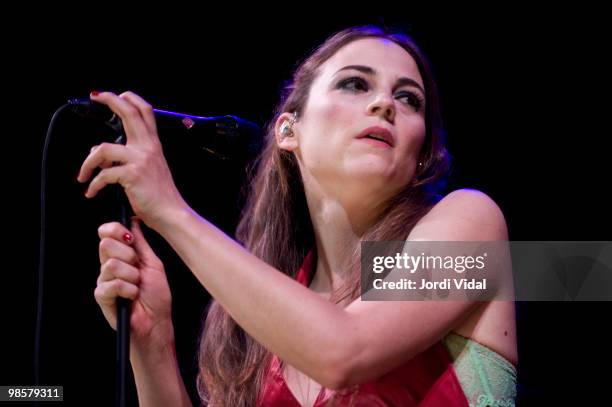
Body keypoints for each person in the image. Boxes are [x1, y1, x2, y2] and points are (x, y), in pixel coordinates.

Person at [77, 25, 518, 406]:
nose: (385, 103)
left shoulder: (475, 225)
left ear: (420, 156)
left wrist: (170, 210)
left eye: (408, 99)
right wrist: (152, 344)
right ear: (289, 130)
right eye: (355, 84)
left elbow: (344, 349)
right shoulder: (263, 320)